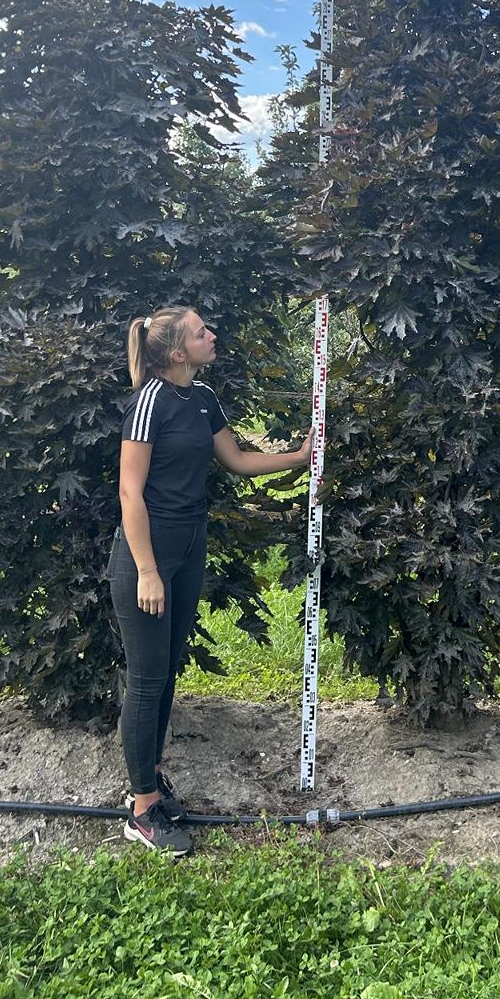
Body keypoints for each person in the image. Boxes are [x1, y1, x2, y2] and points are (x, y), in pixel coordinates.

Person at [107, 304, 312, 856]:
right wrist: (147, 571)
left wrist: (299, 458)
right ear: (177, 353)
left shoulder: (201, 398)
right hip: (146, 557)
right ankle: (142, 809)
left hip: (190, 546)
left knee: (167, 670)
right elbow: (130, 493)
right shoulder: (148, 402)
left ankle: (150, 783)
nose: (212, 335)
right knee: (147, 680)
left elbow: (238, 461)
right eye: (202, 333)